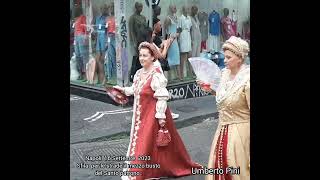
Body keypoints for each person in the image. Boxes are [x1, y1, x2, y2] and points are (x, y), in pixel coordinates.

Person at [114, 42, 201, 180]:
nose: (142, 58)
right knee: (148, 144)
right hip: (140, 116)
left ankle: (140, 172)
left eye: (145, 56)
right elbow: (135, 90)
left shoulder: (156, 75)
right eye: (140, 55)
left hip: (153, 116)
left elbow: (161, 96)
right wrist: (123, 90)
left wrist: (160, 117)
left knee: (146, 143)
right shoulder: (138, 73)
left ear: (152, 57)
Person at [198, 36, 250, 180]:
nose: (224, 60)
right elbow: (225, 95)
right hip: (222, 130)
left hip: (242, 134)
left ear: (239, 58)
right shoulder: (224, 74)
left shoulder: (247, 79)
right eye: (225, 57)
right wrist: (209, 89)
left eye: (228, 57)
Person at [73, 6, 89, 81]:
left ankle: (86, 74)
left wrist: (86, 36)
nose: (75, 9)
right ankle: (81, 73)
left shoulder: (82, 17)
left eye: (76, 8)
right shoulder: (76, 19)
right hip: (76, 37)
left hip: (81, 36)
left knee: (84, 55)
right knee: (77, 55)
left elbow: (85, 27)